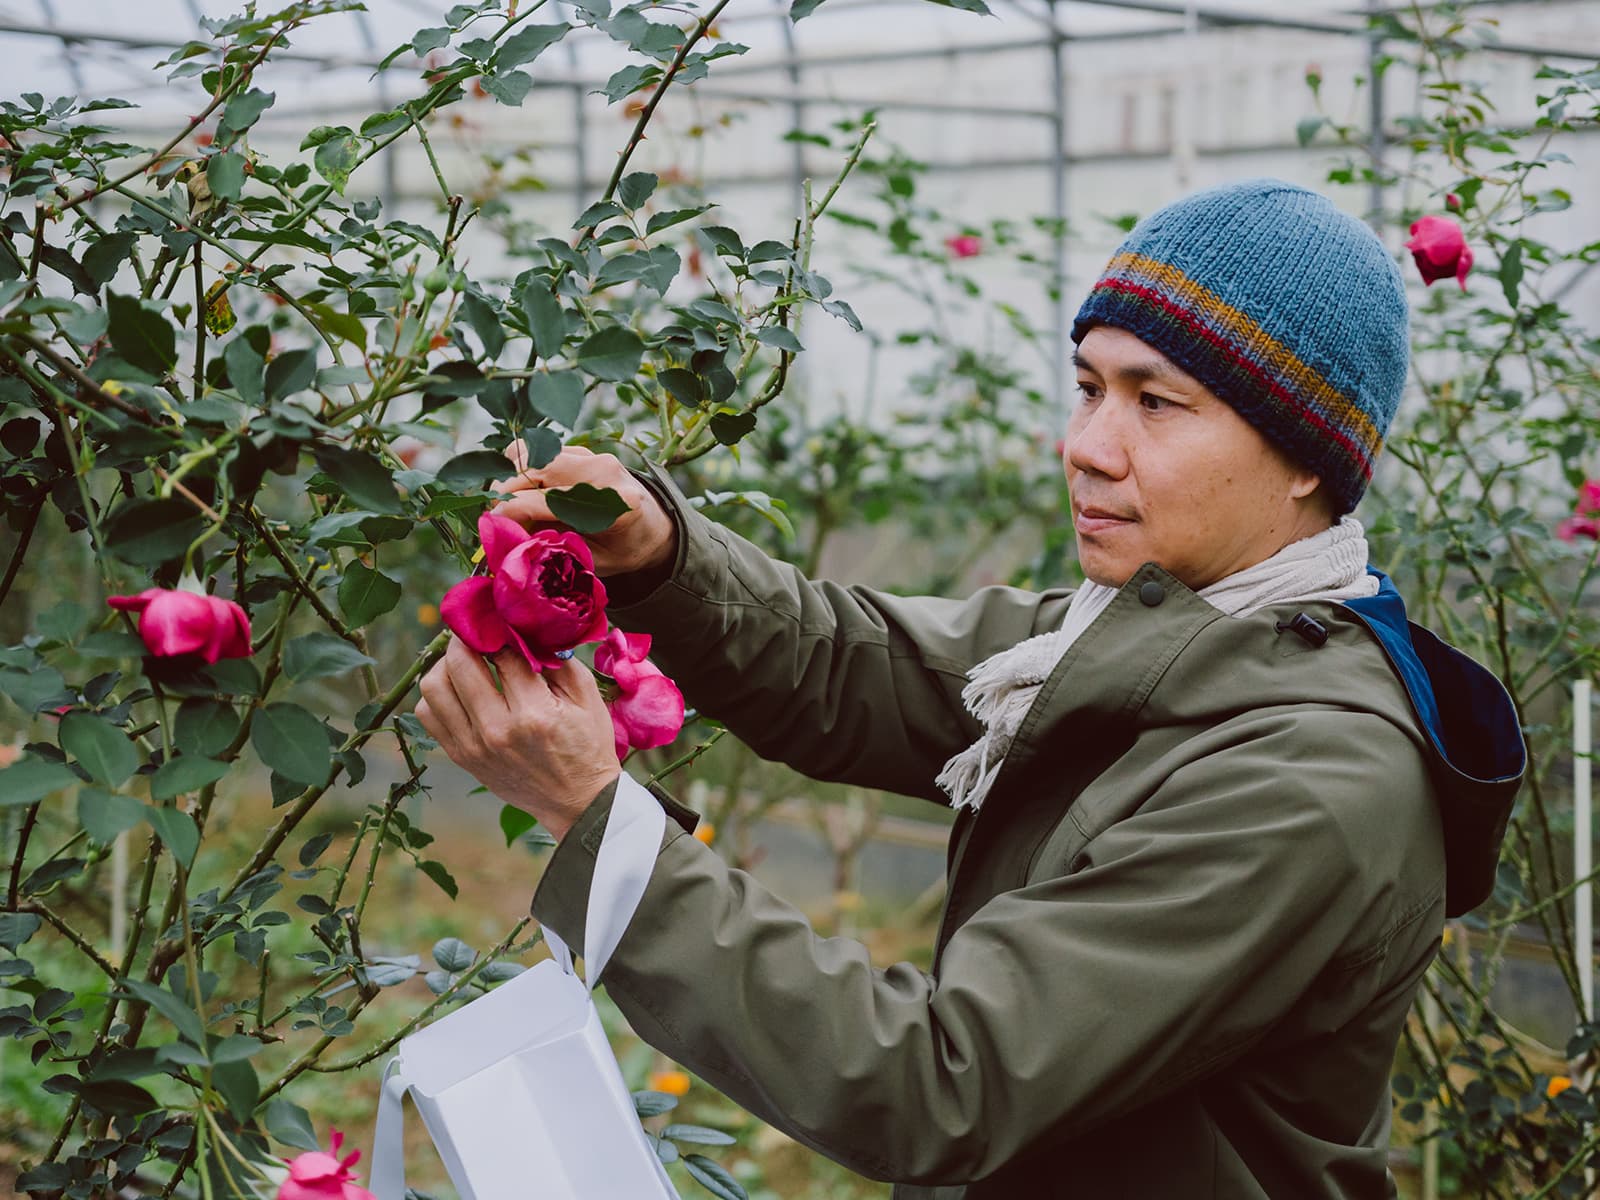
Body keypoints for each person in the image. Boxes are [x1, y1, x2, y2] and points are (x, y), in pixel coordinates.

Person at [414, 178, 1526, 1199]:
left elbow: (943, 1082)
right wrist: (660, 557)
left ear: (1306, 459)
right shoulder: (1142, 638)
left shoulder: (1309, 777)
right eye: (1088, 387)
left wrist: (602, 827)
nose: (1086, 446)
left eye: (1156, 403)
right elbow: (853, 666)